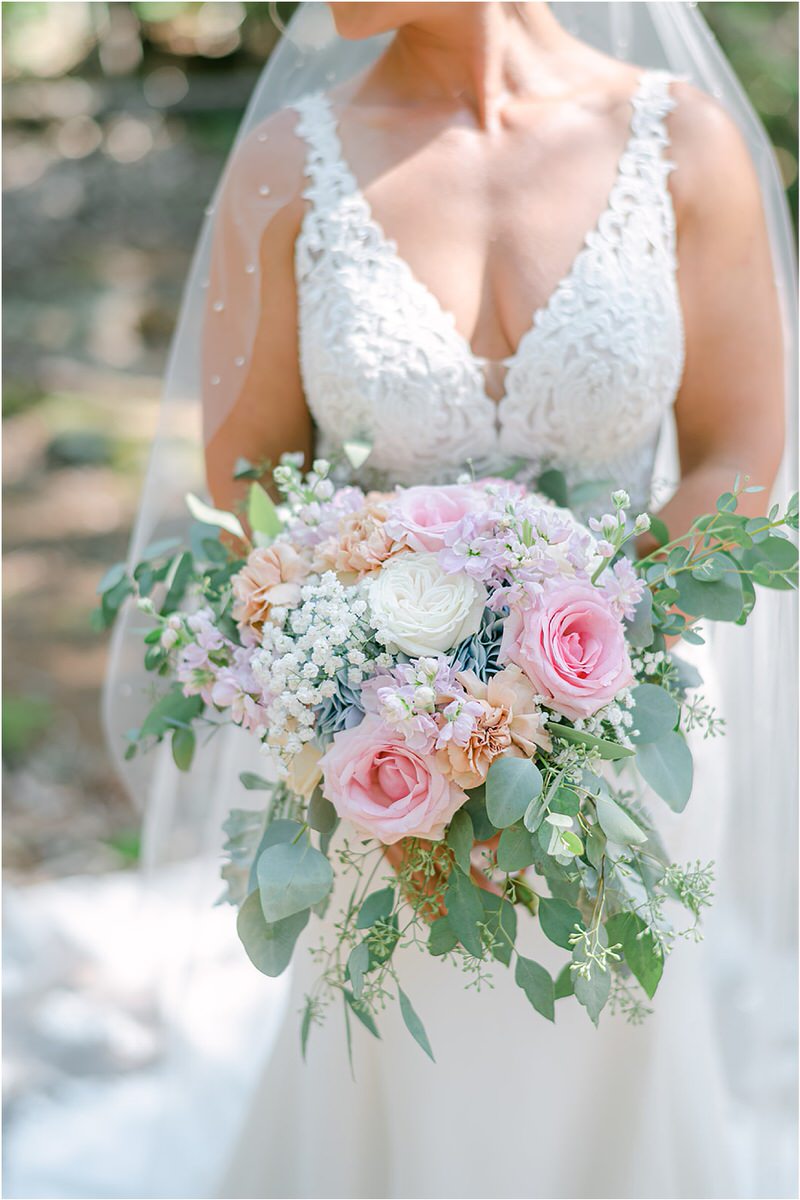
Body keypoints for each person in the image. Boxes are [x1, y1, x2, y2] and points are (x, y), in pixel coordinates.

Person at [106, 4, 797, 1197]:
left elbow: (737, 449)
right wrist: (382, 679)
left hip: (620, 726)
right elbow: (248, 485)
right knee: (392, 1081)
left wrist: (579, 665)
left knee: (609, 1072)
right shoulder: (287, 164)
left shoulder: (679, 143)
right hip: (375, 750)